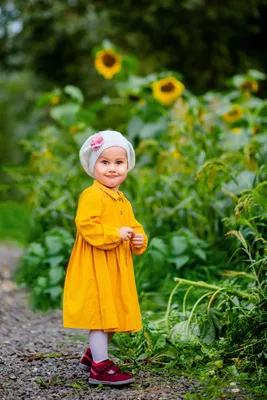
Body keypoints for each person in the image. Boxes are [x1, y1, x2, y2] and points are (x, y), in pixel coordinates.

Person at [63, 130, 148, 386]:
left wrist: (138, 238)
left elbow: (132, 225)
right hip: (96, 264)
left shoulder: (122, 199)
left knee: (112, 312)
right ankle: (99, 368)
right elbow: (86, 225)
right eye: (105, 162)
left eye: (119, 162)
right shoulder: (93, 195)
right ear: (93, 166)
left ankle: (93, 355)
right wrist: (115, 233)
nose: (112, 169)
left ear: (127, 166)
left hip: (115, 267)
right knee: (100, 315)